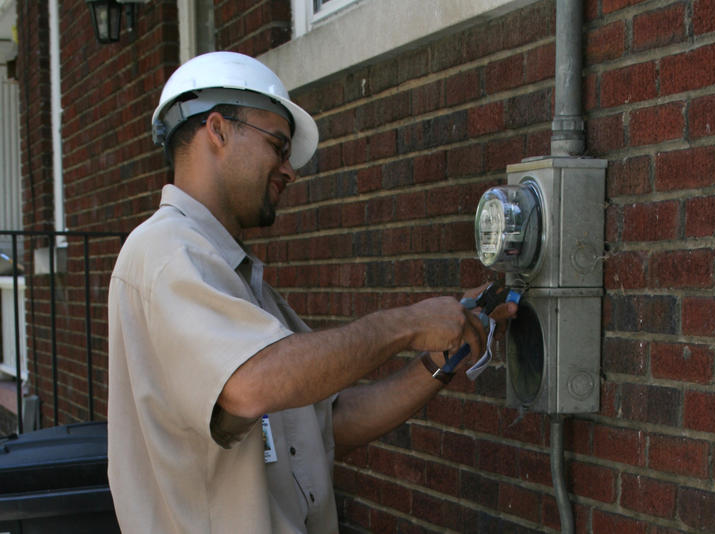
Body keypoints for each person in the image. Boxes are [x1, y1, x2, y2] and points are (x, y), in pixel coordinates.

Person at [107, 51, 516, 534]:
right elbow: (251, 384)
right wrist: (408, 323)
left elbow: (330, 422)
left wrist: (440, 358)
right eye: (278, 146)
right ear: (216, 130)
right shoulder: (166, 251)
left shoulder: (230, 276)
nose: (289, 170)